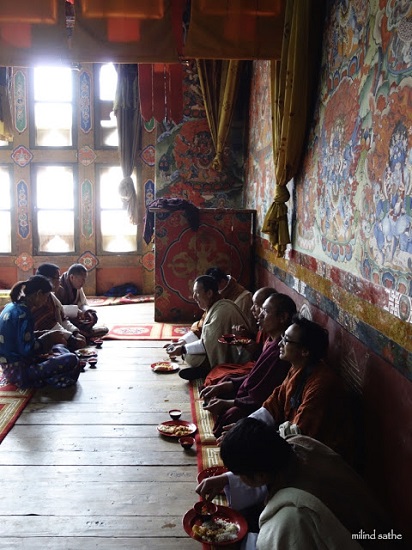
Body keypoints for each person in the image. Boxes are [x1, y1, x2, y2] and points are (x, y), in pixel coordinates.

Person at [197, 418, 394, 550]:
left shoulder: (294, 515)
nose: (237, 478)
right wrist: (227, 479)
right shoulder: (298, 444)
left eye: (239, 474)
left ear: (258, 475)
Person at [200, 293, 296, 438]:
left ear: (282, 317)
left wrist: (228, 404)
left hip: (260, 406)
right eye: (261, 310)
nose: (259, 315)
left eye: (265, 311)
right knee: (222, 383)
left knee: (231, 418)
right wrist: (227, 386)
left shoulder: (281, 352)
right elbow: (255, 377)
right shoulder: (272, 341)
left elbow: (263, 396)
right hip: (250, 395)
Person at [0, 275, 81, 389]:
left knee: (60, 347)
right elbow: (28, 351)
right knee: (71, 359)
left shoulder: (11, 307)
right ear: (38, 294)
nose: (46, 301)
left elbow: (20, 339)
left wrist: (42, 334)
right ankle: (51, 379)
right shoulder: (24, 315)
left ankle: (52, 377)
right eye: (46, 297)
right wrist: (48, 339)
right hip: (20, 371)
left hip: (9, 368)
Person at [166, 275, 253, 381]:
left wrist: (183, 349)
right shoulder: (214, 306)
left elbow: (208, 343)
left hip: (236, 361)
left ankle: (208, 370)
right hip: (217, 349)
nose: (193, 297)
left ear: (209, 293)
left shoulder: (221, 311)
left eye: (197, 293)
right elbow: (200, 329)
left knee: (191, 357)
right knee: (188, 353)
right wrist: (180, 343)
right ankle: (205, 368)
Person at [202, 286, 278, 387]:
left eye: (256, 305)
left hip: (257, 369)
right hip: (254, 365)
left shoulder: (275, 334)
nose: (252, 309)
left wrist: (246, 342)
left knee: (222, 379)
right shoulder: (266, 327)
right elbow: (261, 346)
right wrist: (247, 336)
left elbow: (262, 356)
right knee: (218, 369)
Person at [32, 263, 87, 351]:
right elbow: (49, 325)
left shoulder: (50, 295)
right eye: (57, 278)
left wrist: (75, 332)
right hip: (34, 343)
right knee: (64, 345)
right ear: (48, 280)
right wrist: (71, 339)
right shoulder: (38, 299)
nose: (60, 281)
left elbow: (63, 318)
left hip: (56, 332)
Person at [55, 263, 108, 339]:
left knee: (93, 316)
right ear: (72, 277)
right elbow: (56, 309)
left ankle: (83, 332)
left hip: (75, 316)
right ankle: (84, 333)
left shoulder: (77, 286)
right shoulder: (58, 287)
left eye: (85, 279)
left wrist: (87, 311)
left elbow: (82, 303)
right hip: (63, 318)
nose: (83, 283)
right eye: (82, 280)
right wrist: (76, 311)